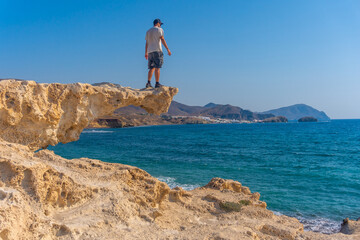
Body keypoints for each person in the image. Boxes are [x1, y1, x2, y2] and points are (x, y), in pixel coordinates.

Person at [145, 18, 171, 88]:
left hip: (150, 51)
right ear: (158, 23)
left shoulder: (148, 31)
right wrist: (168, 49)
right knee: (157, 67)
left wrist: (146, 52)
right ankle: (157, 83)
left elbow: (147, 43)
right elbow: (162, 39)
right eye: (160, 24)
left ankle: (148, 83)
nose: (160, 25)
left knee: (151, 68)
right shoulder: (160, 30)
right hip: (157, 50)